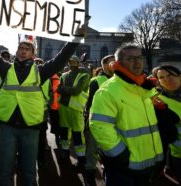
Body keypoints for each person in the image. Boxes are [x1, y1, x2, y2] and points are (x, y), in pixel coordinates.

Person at [0, 8, 87, 186]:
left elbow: (61, 58)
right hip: (7, 126)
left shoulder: (41, 71)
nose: (23, 50)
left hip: (31, 127)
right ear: (17, 51)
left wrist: (75, 38)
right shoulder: (6, 68)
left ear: (33, 54)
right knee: (5, 171)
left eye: (27, 48)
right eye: (21, 48)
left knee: (29, 172)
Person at [89, 43, 164, 186]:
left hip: (148, 161)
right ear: (118, 63)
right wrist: (120, 155)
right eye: (130, 59)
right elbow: (99, 126)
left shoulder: (144, 86)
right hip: (124, 166)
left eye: (139, 57)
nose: (137, 62)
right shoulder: (108, 91)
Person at [83, 54, 115, 186]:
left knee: (110, 152)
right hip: (97, 122)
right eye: (111, 62)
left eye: (115, 62)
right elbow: (90, 103)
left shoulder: (121, 80)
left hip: (115, 122)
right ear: (104, 65)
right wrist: (88, 121)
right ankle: (90, 173)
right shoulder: (96, 81)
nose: (114, 64)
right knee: (92, 150)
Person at [57, 55, 90, 167]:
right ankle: (65, 153)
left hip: (76, 108)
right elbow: (58, 89)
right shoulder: (64, 75)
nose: (71, 63)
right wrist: (65, 90)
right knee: (64, 132)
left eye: (74, 61)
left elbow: (76, 91)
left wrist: (63, 90)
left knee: (77, 134)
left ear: (78, 62)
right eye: (70, 61)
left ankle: (81, 159)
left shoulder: (84, 74)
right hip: (63, 107)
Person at [152, 65, 181, 183]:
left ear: (180, 76)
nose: (167, 79)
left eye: (170, 75)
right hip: (178, 154)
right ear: (158, 82)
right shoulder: (157, 99)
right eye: (162, 77)